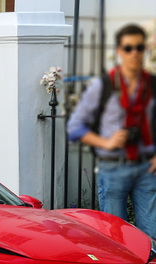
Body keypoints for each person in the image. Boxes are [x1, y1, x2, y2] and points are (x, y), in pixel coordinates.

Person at [67, 23, 156, 239]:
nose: (134, 53)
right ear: (119, 51)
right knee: (115, 238)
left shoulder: (152, 84)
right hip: (113, 166)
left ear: (145, 50)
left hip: (146, 168)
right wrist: (105, 142)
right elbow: (74, 127)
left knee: (151, 237)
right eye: (128, 48)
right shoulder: (103, 85)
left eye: (139, 47)